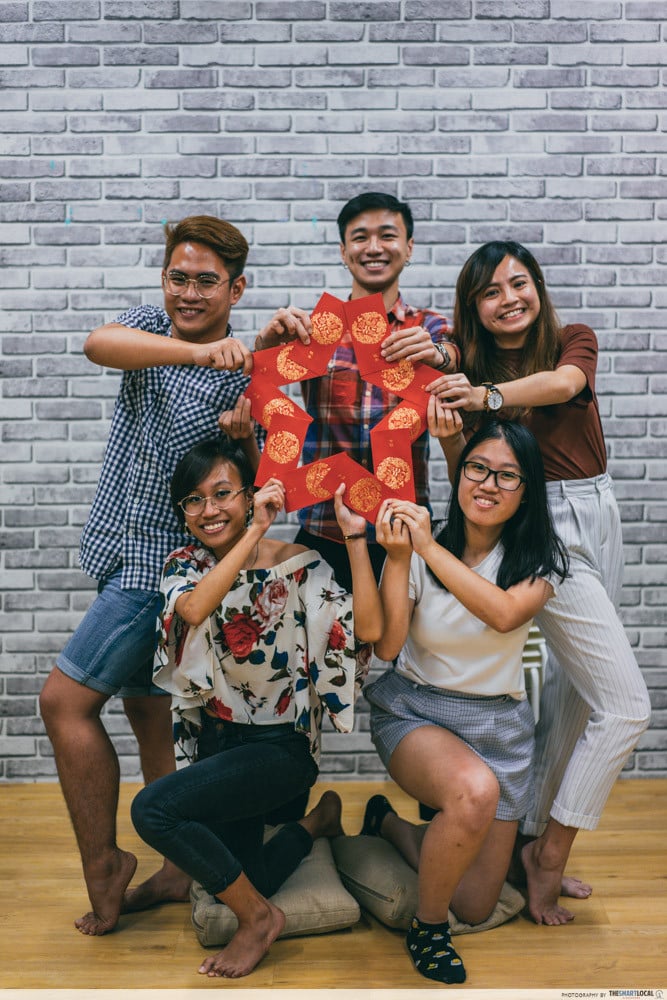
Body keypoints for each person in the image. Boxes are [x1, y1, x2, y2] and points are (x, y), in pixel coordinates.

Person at [38, 215, 272, 936]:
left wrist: (246, 436)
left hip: (159, 572)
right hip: (115, 544)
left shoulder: (247, 374)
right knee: (146, 714)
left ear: (236, 288)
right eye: (178, 277)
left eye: (207, 281)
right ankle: (177, 867)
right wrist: (195, 353)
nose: (189, 293)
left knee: (63, 702)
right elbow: (96, 344)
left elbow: (256, 486)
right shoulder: (149, 326)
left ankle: (105, 864)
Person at [427, 240, 652, 925]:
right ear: (473, 308)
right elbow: (471, 476)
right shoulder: (465, 367)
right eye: (490, 292)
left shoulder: (570, 340)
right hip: (540, 522)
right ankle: (548, 854)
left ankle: (525, 840)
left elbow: (563, 386)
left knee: (575, 694)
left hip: (598, 508)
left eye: (518, 283)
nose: (508, 299)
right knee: (624, 707)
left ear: (537, 287)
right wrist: (451, 431)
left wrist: (487, 397)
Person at [130, 438, 382, 979]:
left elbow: (370, 631)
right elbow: (195, 609)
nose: (209, 510)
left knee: (152, 810)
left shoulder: (299, 565)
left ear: (250, 495)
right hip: (220, 744)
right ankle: (318, 821)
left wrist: (357, 540)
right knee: (252, 878)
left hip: (281, 750)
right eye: (193, 500)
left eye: (223, 493)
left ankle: (259, 921)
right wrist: (253, 533)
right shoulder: (184, 564)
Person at [364, 417, 569, 985]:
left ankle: (387, 826)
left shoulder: (542, 560)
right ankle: (429, 928)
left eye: (507, 475)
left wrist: (427, 548)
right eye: (478, 467)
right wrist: (401, 558)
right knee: (473, 791)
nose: (488, 484)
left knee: (477, 903)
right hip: (415, 709)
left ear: (526, 491)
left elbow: (502, 614)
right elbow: (387, 647)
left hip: (498, 727)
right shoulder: (420, 543)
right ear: (459, 474)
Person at [251, 191, 458, 590]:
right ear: (344, 252)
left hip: (401, 530)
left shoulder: (427, 327)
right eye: (360, 237)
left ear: (409, 247)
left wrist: (440, 354)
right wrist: (263, 346)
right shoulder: (315, 330)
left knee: (401, 632)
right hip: (323, 531)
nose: (374, 247)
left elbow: (454, 357)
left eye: (388, 235)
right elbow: (259, 380)